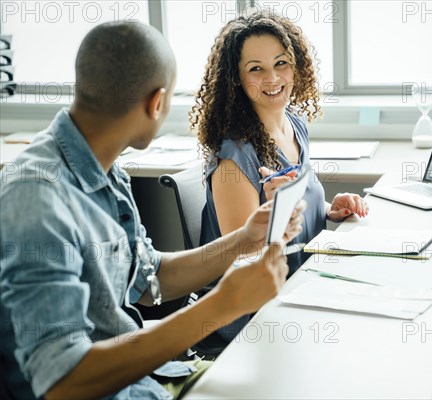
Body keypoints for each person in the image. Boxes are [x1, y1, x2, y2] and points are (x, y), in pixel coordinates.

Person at [0, 21, 305, 400]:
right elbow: (63, 382)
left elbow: (149, 279)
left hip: (146, 381)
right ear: (156, 102)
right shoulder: (38, 196)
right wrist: (224, 304)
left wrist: (243, 240)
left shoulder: (104, 168)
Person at [190, 11, 369, 279]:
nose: (272, 78)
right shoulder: (234, 155)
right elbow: (243, 257)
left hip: (303, 279)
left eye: (281, 63)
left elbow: (301, 204)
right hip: (255, 307)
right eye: (256, 68)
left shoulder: (295, 124)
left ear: (296, 65)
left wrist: (329, 209)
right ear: (236, 78)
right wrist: (275, 215)